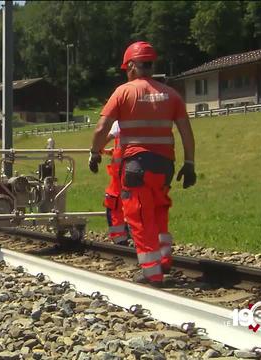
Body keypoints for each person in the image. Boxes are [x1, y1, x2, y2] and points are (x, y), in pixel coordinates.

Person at [89, 41, 196, 286]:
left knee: (139, 214)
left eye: (127, 68)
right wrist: (189, 163)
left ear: (134, 66)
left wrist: (95, 153)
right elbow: (186, 133)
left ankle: (152, 272)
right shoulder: (172, 94)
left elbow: (101, 128)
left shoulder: (123, 92)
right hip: (165, 165)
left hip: (136, 165)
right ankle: (164, 260)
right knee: (159, 210)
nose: (127, 73)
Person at [95, 121, 129, 246]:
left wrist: (95, 150)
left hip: (121, 174)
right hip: (140, 170)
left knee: (113, 204)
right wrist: (113, 151)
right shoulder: (144, 120)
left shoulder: (119, 122)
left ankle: (120, 240)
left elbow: (102, 140)